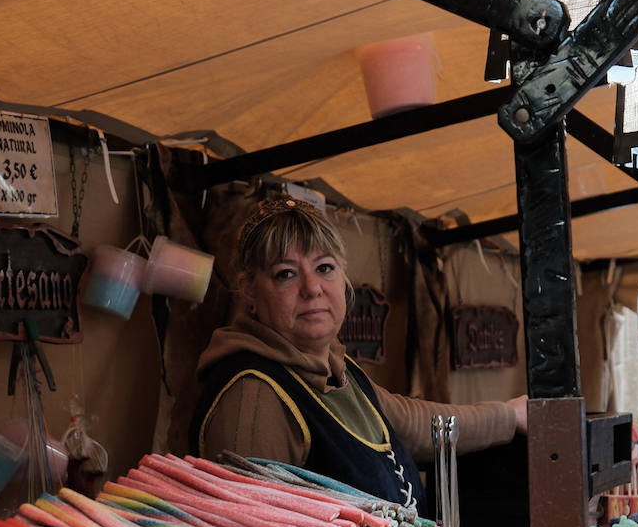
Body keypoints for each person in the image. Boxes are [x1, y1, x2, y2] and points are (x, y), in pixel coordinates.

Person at [189, 196, 525, 509]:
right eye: (286, 274)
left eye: (324, 268)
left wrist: (510, 416)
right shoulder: (254, 396)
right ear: (249, 290)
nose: (312, 288)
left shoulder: (338, 371)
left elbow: (418, 424)